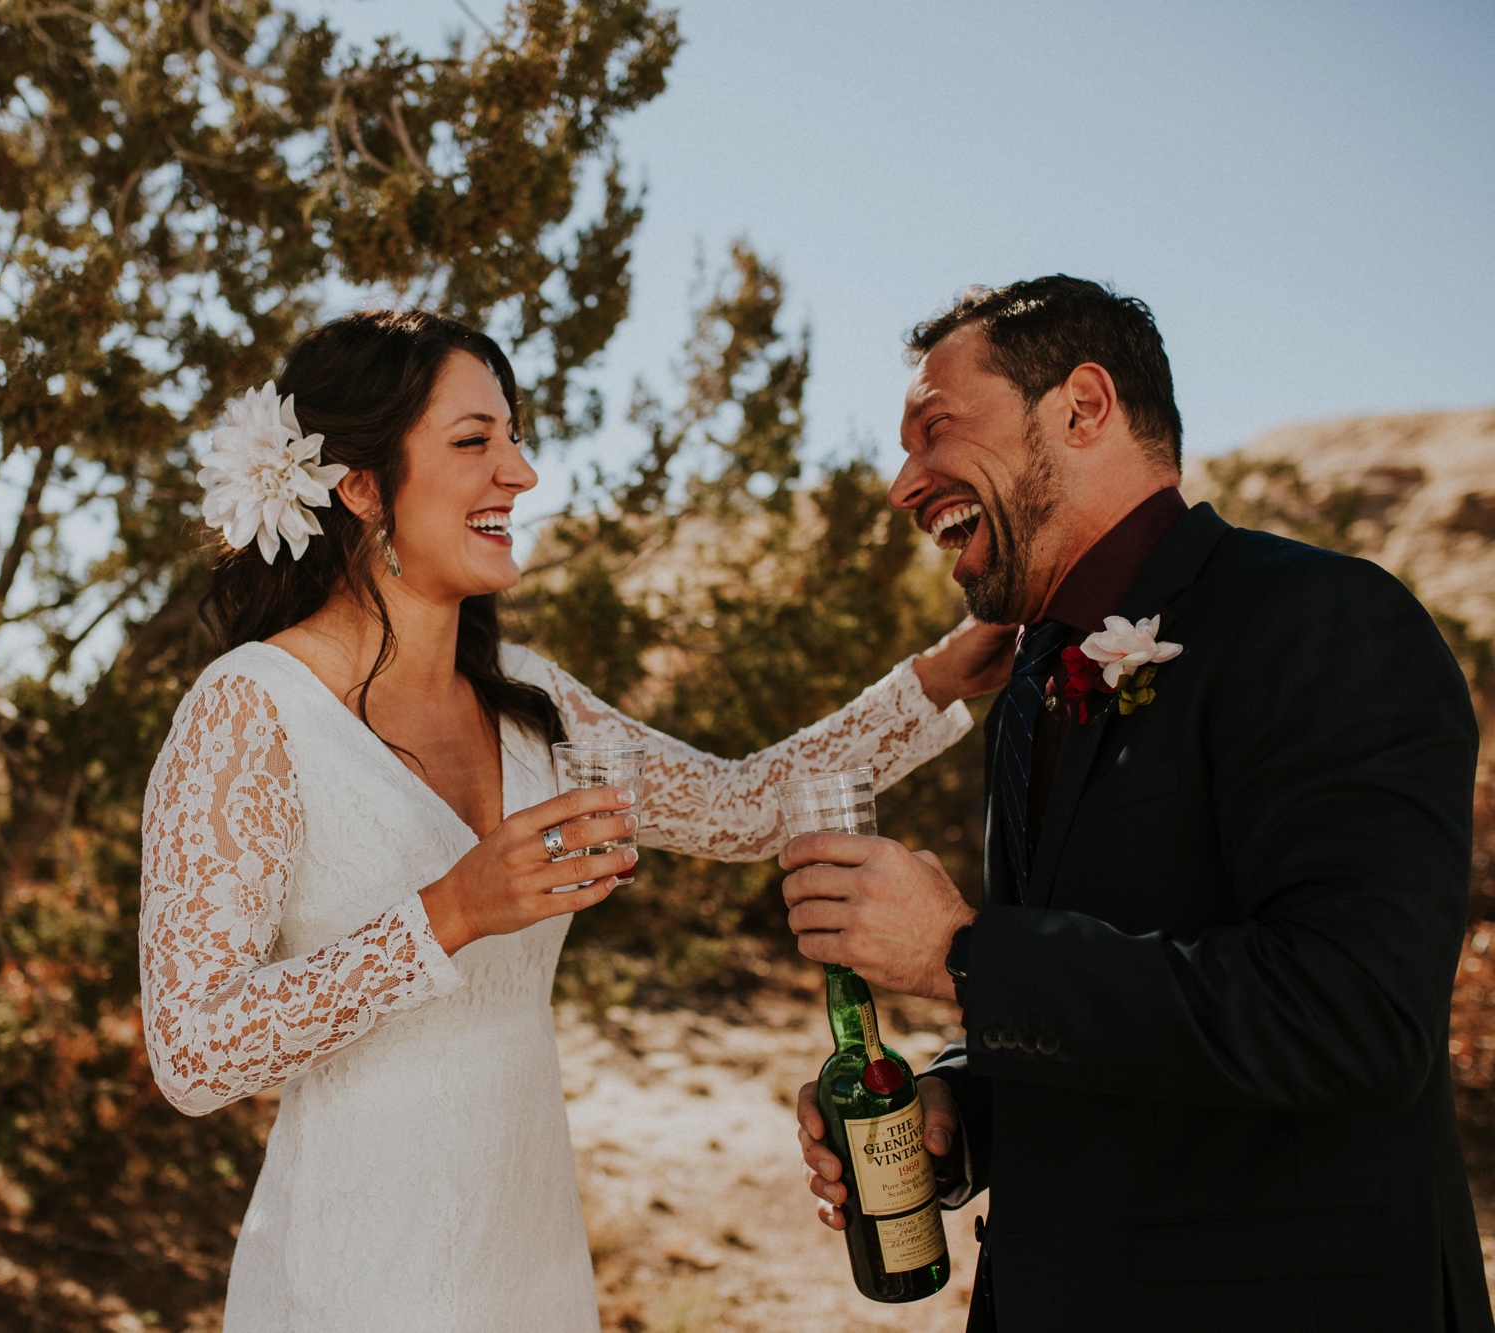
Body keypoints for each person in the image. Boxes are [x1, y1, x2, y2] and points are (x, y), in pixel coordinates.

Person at [138, 308, 1011, 1331]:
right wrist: (449, 912)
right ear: (360, 484)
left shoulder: (526, 696)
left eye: (512, 434)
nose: (520, 471)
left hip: (530, 1264)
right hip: (353, 1279)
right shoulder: (250, 708)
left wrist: (936, 680)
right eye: (474, 441)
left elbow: (739, 805)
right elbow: (193, 1051)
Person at [786, 276, 1492, 1332]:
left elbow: (1352, 1015)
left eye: (934, 431)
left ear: (1080, 406)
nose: (903, 483)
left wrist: (962, 957)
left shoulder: (1322, 622)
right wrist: (958, 1111)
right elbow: (1116, 993)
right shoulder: (1030, 681)